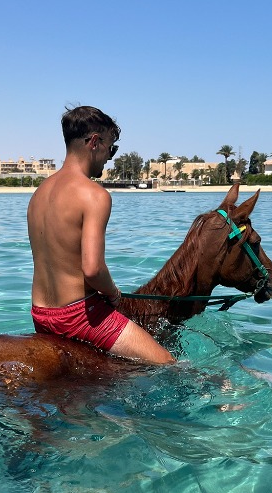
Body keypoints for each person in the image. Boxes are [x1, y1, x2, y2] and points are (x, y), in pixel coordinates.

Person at [27, 106, 175, 364]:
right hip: (78, 317)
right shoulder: (94, 195)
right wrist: (115, 294)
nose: (110, 157)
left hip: (40, 314)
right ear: (94, 142)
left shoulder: (38, 194)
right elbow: (93, 269)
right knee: (167, 363)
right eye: (111, 147)